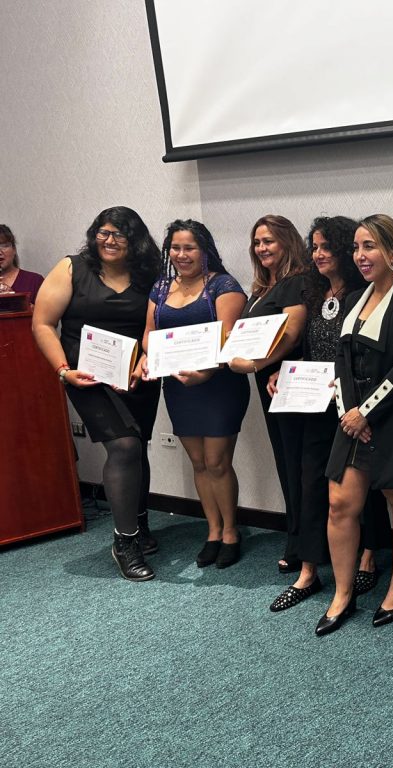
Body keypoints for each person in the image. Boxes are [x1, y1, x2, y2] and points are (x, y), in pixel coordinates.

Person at [316, 214, 393, 635]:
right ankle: (343, 592)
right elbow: (341, 361)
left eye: (369, 246)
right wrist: (349, 413)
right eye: (356, 247)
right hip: (351, 417)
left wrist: (365, 413)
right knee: (339, 505)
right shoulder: (354, 299)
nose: (360, 255)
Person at [266, 216, 392, 612]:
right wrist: (282, 373)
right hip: (314, 403)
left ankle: (368, 556)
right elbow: (306, 348)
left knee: (362, 486)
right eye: (314, 247)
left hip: (353, 404)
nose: (319, 254)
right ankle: (308, 570)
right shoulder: (313, 292)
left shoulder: (364, 293)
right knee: (310, 482)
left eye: (326, 247)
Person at [32, 207, 162, 580]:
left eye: (119, 234)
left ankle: (139, 523)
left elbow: (159, 323)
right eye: (103, 232)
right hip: (85, 377)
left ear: (135, 240)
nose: (109, 240)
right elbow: (43, 323)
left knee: (138, 446)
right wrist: (63, 371)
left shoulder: (149, 274)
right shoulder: (72, 268)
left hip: (136, 377)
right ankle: (125, 542)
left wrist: (148, 357)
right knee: (124, 446)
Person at [140, 220, 249, 568]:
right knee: (199, 462)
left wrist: (204, 373)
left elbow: (226, 339)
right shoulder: (160, 288)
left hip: (218, 384)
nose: (181, 254)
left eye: (190, 247)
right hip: (178, 386)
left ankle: (231, 531)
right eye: (175, 247)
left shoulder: (223, 286)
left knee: (217, 462)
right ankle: (213, 530)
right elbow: (149, 334)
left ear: (205, 250)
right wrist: (148, 356)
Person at [227, 215, 307, 572]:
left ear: (287, 242)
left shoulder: (296, 282)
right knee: (285, 463)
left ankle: (301, 543)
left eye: (269, 241)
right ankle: (298, 536)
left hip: (289, 383)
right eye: (257, 242)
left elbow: (291, 334)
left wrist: (255, 364)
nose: (261, 248)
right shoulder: (261, 288)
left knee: (297, 464)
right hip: (268, 386)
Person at [0, 224, 45, 303]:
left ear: (14, 249)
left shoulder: (35, 281)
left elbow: (47, 310)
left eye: (4, 246)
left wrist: (15, 299)